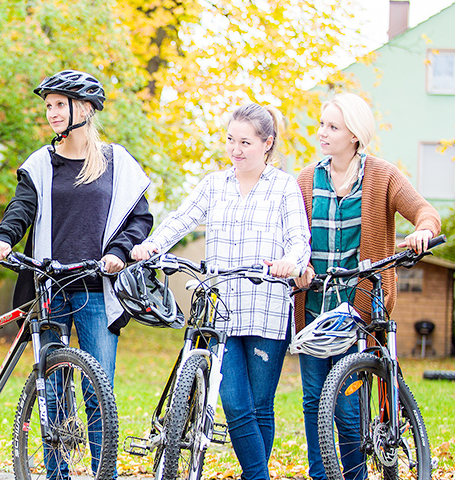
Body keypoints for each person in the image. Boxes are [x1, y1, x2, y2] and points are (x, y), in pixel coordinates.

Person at [0, 69, 153, 476]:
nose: (53, 113)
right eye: (49, 106)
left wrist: (118, 251)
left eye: (60, 104)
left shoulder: (118, 163)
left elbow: (140, 219)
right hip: (50, 289)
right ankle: (57, 473)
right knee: (53, 388)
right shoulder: (43, 163)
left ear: (86, 108)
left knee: (98, 392)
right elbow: (21, 207)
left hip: (97, 288)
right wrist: (4, 237)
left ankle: (102, 473)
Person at [132, 103, 311, 480]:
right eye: (231, 140)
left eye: (245, 142)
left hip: (267, 307)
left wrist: (290, 262)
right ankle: (258, 476)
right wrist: (152, 245)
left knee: (260, 405)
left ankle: (253, 475)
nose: (235, 149)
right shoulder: (215, 185)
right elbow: (182, 218)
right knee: (233, 402)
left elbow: (299, 240)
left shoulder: (283, 187)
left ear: (267, 143)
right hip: (223, 310)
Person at [292, 92, 441, 480]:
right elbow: (288, 235)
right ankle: (320, 475)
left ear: (355, 135)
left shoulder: (383, 176)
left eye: (333, 127)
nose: (322, 133)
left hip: (357, 312)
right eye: (322, 124)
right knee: (313, 399)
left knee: (347, 406)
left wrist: (423, 231)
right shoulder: (306, 179)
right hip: (312, 309)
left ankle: (354, 476)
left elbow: (425, 211)